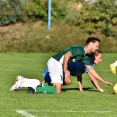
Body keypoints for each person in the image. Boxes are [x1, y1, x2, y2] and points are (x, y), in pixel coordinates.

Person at [47, 37, 112, 93]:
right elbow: (66, 55)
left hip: (59, 65)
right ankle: (37, 89)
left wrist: (103, 81)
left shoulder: (85, 56)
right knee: (58, 91)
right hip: (55, 63)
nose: (97, 48)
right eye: (96, 46)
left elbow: (91, 69)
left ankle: (45, 85)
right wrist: (65, 69)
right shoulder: (80, 49)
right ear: (91, 44)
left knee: (68, 82)